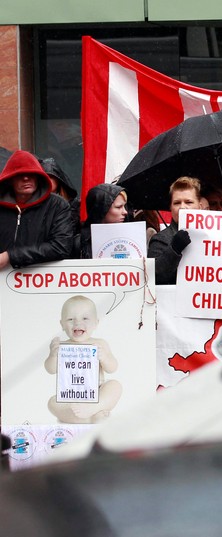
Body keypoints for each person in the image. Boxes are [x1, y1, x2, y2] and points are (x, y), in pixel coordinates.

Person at [44, 295, 122, 424]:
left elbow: (113, 368)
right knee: (52, 402)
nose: (77, 323)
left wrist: (104, 358)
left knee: (115, 385)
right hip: (71, 397)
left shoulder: (99, 344)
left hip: (97, 394)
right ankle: (90, 417)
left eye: (85, 318)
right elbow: (50, 369)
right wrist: (53, 355)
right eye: (70, 319)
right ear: (62, 324)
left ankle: (95, 408)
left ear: (96, 323)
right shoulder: (62, 347)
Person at [0, 149, 76, 269]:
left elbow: (61, 247)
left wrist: (10, 256)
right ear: (10, 179)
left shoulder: (57, 205)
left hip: (43, 282)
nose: (26, 178)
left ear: (38, 177)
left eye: (31, 173)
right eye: (19, 174)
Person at [148, 176, 201, 285]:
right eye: (177, 203)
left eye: (188, 202)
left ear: (199, 206)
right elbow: (154, 277)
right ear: (170, 207)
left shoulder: (213, 235)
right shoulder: (159, 239)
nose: (182, 207)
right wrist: (174, 249)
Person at [74, 183, 130, 259]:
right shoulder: (79, 243)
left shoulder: (132, 238)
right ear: (102, 209)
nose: (125, 212)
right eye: (119, 207)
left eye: (124, 206)